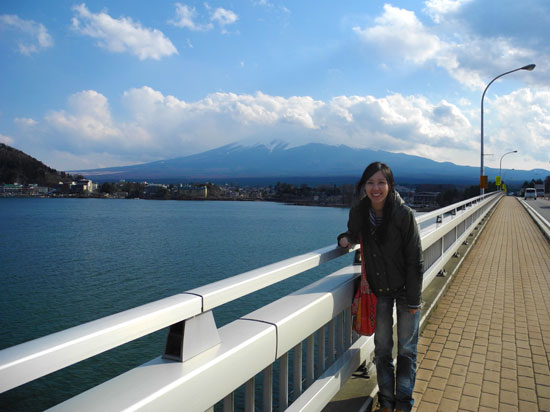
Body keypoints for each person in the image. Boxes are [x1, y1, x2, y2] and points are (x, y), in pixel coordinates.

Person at [338, 161, 423, 412]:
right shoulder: (360, 211)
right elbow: (353, 233)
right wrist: (345, 239)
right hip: (379, 292)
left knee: (407, 350)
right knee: (383, 350)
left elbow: (415, 260)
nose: (376, 188)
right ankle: (386, 402)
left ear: (390, 185)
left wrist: (415, 300)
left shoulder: (403, 214)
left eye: (381, 182)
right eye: (370, 183)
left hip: (407, 292)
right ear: (364, 186)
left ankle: (404, 404)